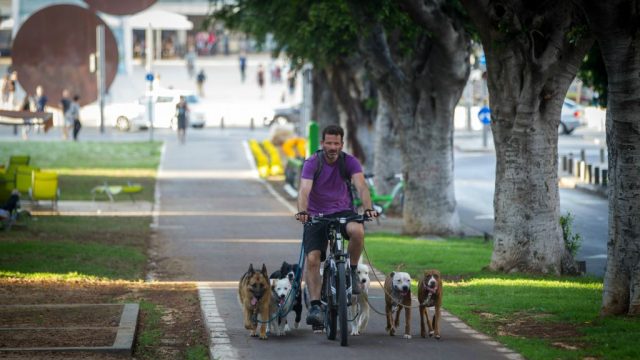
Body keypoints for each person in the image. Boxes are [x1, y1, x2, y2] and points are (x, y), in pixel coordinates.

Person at [295, 125, 379, 328]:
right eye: (329, 143)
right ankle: (315, 305)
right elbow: (304, 190)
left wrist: (367, 208)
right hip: (316, 215)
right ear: (322, 143)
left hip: (343, 212)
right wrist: (303, 212)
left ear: (342, 144)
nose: (332, 147)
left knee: (358, 231)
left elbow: (361, 186)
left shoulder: (349, 161)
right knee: (313, 259)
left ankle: (350, 272)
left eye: (336, 143)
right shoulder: (312, 162)